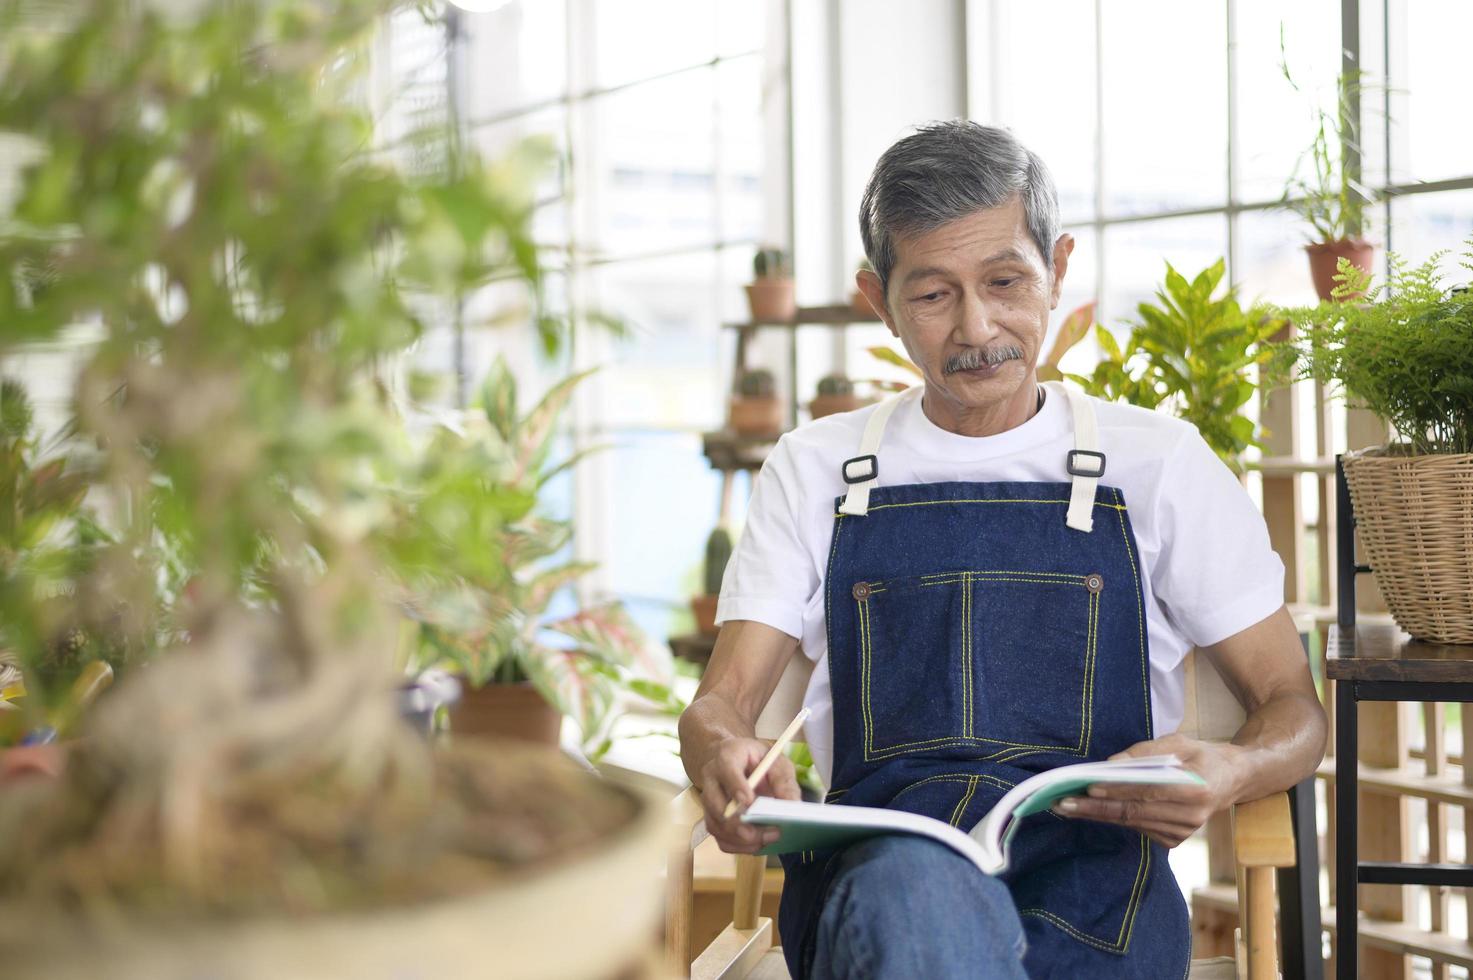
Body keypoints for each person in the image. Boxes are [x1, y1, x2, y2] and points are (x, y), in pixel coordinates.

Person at [677, 120, 1327, 978]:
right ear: (878, 299)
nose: (977, 327)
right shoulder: (815, 469)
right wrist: (722, 754)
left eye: (1005, 281)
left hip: (1099, 895)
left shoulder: (1158, 465)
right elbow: (718, 706)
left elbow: (1295, 710)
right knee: (919, 903)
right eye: (933, 294)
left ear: (1056, 271)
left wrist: (1234, 771)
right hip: (887, 892)